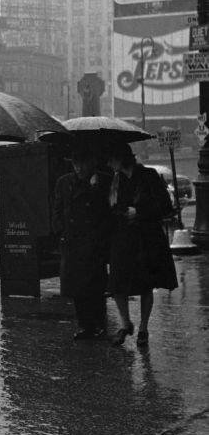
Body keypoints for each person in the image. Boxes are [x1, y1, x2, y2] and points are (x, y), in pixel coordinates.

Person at [106, 141, 178, 347]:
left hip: (146, 238)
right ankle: (125, 323)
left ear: (121, 159)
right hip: (123, 239)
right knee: (117, 284)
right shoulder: (115, 180)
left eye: (112, 159)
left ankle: (143, 328)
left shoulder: (148, 176)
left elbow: (165, 206)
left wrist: (139, 213)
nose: (109, 163)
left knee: (146, 284)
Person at [51, 146, 113, 341]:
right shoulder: (64, 182)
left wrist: (95, 188)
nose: (79, 168)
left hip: (93, 242)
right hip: (71, 242)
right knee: (76, 287)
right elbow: (58, 208)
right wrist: (60, 231)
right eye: (76, 164)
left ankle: (99, 325)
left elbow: (108, 212)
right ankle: (86, 325)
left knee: (94, 287)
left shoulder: (103, 181)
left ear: (91, 164)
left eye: (83, 164)